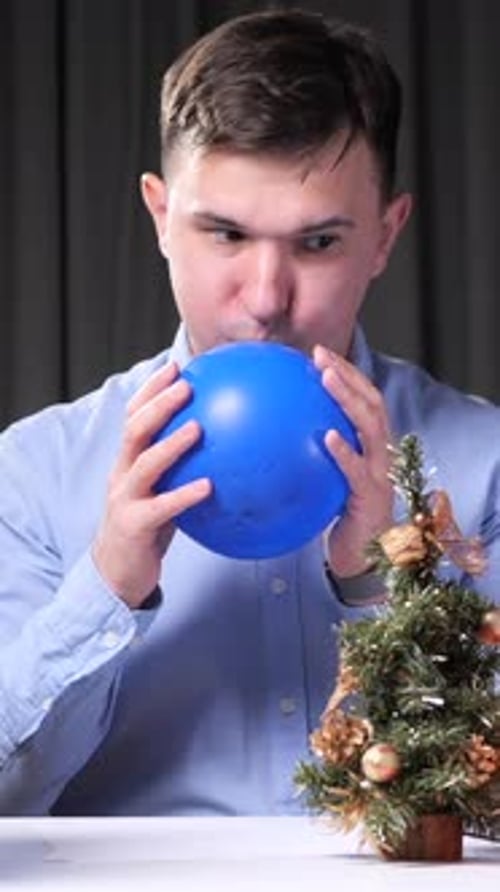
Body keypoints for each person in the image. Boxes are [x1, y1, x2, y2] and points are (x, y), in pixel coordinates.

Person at [0, 8, 498, 817]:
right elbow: (5, 802)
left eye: (320, 243)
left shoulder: (486, 467)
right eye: (225, 234)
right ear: (161, 219)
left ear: (385, 236)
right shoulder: (35, 473)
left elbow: (488, 801)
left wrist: (379, 585)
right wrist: (108, 586)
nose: (267, 300)